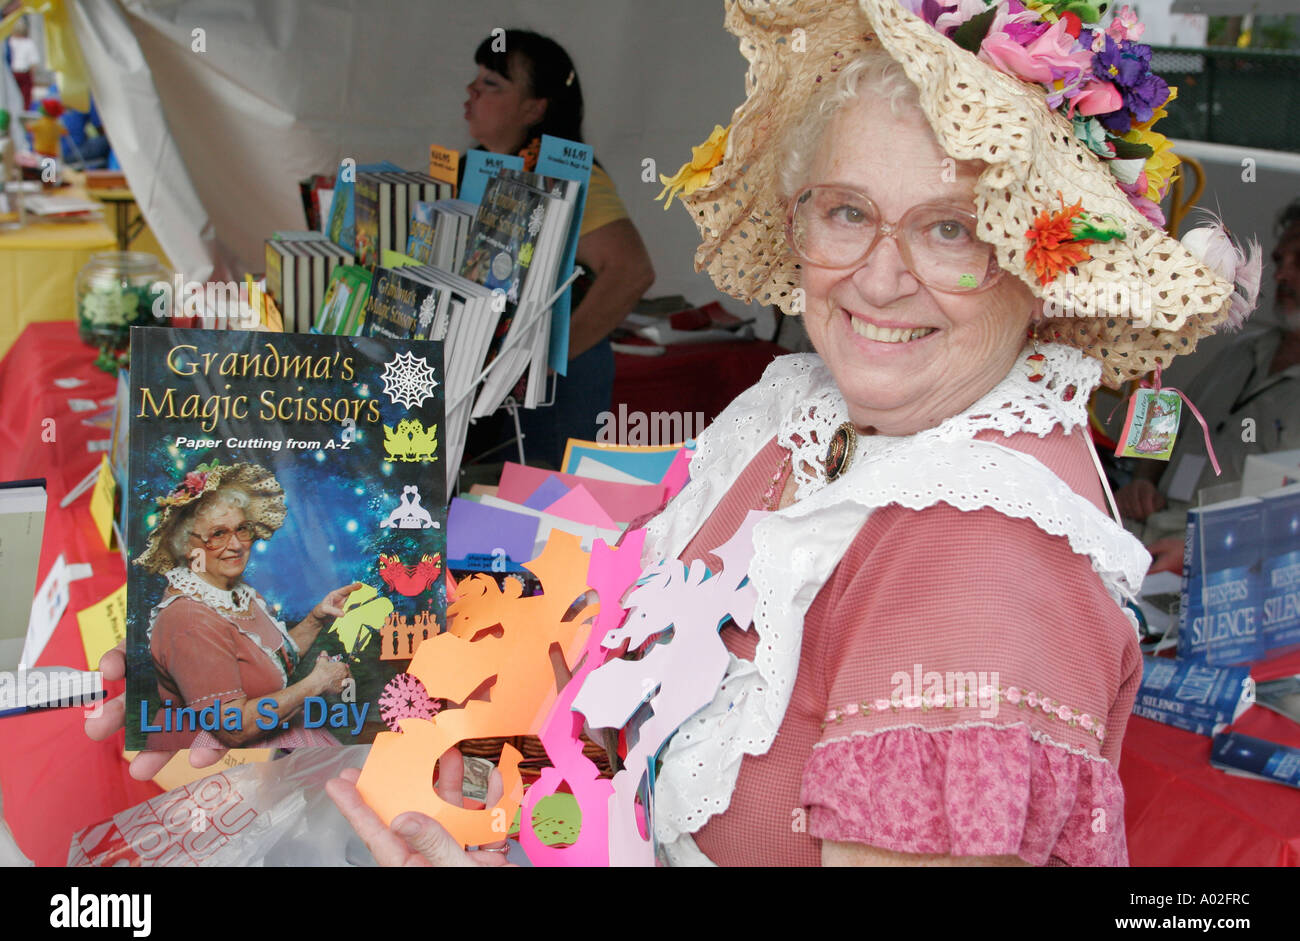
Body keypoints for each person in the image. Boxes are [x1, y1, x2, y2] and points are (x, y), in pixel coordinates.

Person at [94, 0, 1257, 865]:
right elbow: (596, 604)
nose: (880, 277)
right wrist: (280, 661)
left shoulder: (986, 564)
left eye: (950, 227)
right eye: (847, 210)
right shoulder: (800, 411)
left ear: (1039, 263)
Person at [459, 29, 655, 469]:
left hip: (554, 386)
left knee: (539, 508)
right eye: (476, 79)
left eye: (492, 84)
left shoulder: (565, 174)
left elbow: (632, 270)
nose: (472, 91)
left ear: (535, 107)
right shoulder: (478, 164)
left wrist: (551, 359)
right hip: (498, 375)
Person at [1117, 199, 1300, 572]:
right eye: (1281, 261)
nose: (1281, 276)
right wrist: (1141, 478)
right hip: (1138, 534)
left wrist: (1202, 551)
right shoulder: (1243, 350)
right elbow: (1163, 408)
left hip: (1223, 571)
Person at [131, 461, 358, 750]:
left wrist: (316, 618)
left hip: (272, 743)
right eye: (218, 534)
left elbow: (270, 665)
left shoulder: (240, 595)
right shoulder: (188, 620)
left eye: (242, 529)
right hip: (218, 767)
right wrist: (316, 683)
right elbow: (233, 728)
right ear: (187, 545)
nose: (236, 545)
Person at [6, 19, 38, 111]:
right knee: (25, 97)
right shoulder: (29, 43)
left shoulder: (9, 42)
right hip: (24, 73)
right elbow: (33, 62)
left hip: (12, 73)